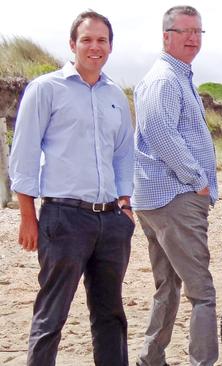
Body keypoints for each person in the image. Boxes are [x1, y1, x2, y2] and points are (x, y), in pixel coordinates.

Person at [8, 10, 134, 366]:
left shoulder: (115, 95)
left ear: (110, 46)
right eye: (87, 39)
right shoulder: (46, 89)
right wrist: (27, 217)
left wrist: (125, 204)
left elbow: (124, 153)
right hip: (63, 218)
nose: (95, 47)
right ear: (72, 44)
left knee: (110, 316)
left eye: (102, 40)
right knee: (52, 315)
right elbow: (25, 155)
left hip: (111, 221)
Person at [132, 5, 218, 366]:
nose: (193, 39)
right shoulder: (165, 78)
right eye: (184, 32)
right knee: (203, 293)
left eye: (198, 31)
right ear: (166, 36)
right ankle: (203, 362)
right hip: (174, 198)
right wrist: (197, 180)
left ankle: (151, 357)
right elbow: (162, 134)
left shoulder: (178, 76)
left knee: (169, 285)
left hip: (161, 198)